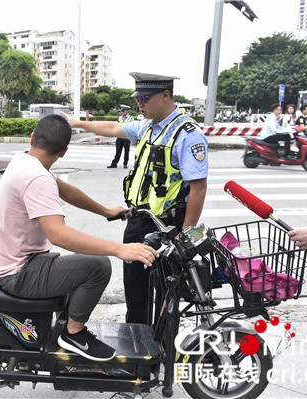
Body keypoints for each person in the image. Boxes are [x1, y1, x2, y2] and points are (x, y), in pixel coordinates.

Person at [0, 114, 158, 361]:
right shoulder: (37, 178)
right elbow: (58, 234)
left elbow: (66, 190)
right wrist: (119, 249)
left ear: (33, 138)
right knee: (98, 266)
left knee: (82, 264)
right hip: (20, 273)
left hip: (19, 260)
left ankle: (64, 325)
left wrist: (105, 211)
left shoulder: (25, 161)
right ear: (64, 152)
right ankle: (73, 334)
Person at [61, 72, 208, 325]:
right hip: (138, 220)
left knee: (165, 292)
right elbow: (114, 128)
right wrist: (79, 123)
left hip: (167, 227)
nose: (139, 103)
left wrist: (185, 236)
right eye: (137, 97)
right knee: (135, 288)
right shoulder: (146, 126)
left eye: (144, 97)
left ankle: (161, 346)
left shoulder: (187, 134)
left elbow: (199, 188)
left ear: (165, 95)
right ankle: (136, 339)